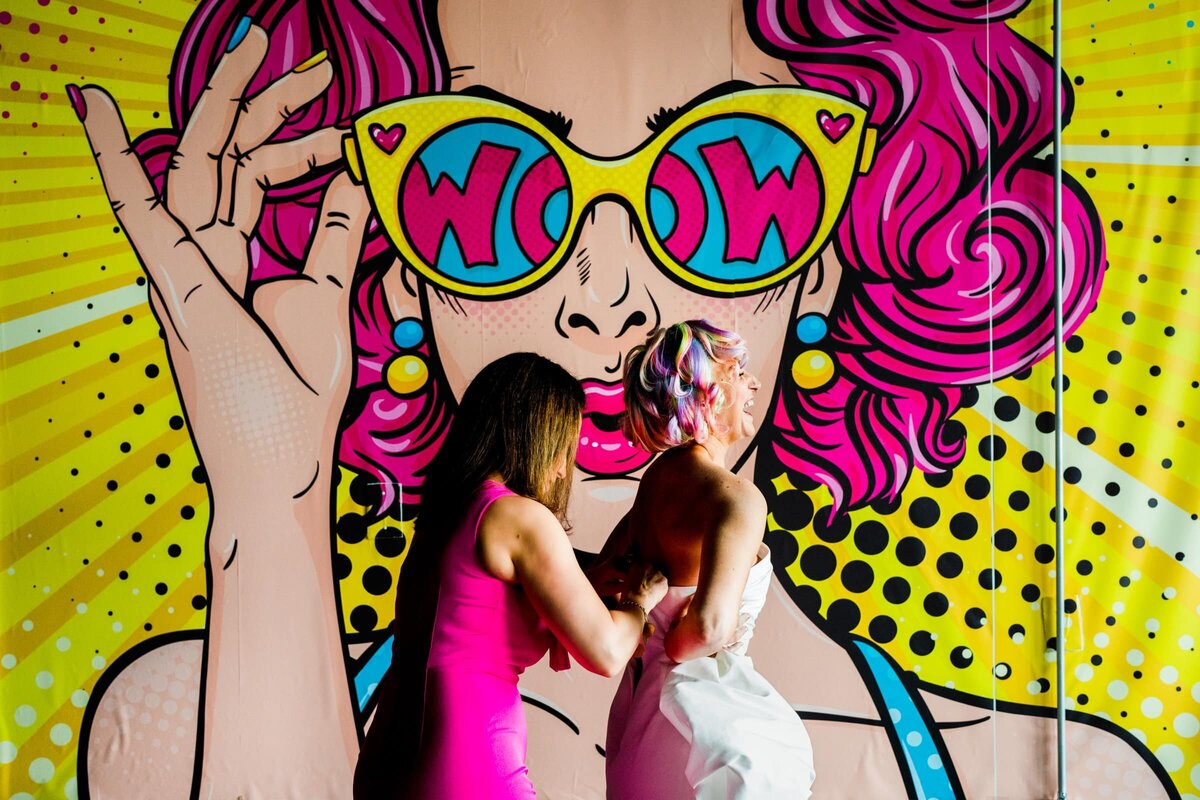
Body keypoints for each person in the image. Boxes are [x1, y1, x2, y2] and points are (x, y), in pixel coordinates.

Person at [75, 1, 1175, 798]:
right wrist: (271, 513)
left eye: (740, 181)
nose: (606, 302)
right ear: (402, 271)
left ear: (832, 261)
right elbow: (621, 643)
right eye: (483, 191)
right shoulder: (180, 721)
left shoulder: (1093, 773)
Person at [352, 351, 667, 798]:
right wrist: (640, 599)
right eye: (564, 449)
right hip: (467, 753)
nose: (563, 469)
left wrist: (587, 583)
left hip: (389, 755)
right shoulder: (519, 518)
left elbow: (473, 619)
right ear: (536, 439)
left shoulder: (448, 514)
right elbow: (608, 652)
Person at [599, 320, 816, 799]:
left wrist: (645, 624)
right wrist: (677, 643)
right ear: (710, 392)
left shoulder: (653, 486)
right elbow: (708, 630)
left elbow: (603, 575)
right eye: (739, 371)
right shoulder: (735, 498)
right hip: (696, 721)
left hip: (636, 713)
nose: (754, 382)